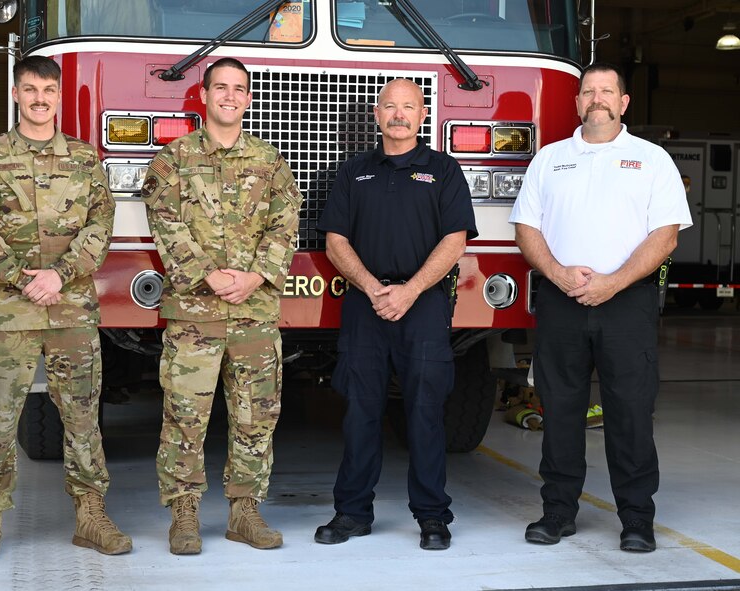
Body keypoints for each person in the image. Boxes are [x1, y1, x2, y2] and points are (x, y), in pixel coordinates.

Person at [509, 63, 692, 552]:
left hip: (626, 304)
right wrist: (559, 273)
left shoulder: (653, 160)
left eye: (606, 91)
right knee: (562, 411)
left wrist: (614, 282)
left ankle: (636, 519)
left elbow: (666, 234)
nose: (597, 99)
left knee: (630, 412)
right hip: (562, 301)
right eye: (588, 91)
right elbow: (526, 228)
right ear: (577, 102)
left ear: (624, 102)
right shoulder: (549, 160)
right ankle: (557, 513)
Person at [0, 55, 131, 563]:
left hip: (71, 309)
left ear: (58, 97)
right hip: (11, 313)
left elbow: (101, 225)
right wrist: (20, 278)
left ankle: (91, 517)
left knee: (81, 419)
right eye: (29, 89)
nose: (39, 98)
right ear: (16, 94)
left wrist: (61, 274)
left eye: (48, 91)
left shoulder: (85, 159)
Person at [141, 57, 303, 555]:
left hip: (253, 312)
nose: (230, 96)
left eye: (239, 89)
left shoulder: (271, 162)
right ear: (204, 96)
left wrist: (255, 276)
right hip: (195, 314)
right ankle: (184, 515)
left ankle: (245, 512)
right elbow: (165, 221)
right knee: (186, 414)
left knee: (256, 416)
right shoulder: (173, 160)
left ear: (248, 98)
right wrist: (207, 275)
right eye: (221, 88)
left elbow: (286, 223)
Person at [314, 79, 477, 550]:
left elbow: (455, 241)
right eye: (390, 106)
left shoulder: (444, 171)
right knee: (360, 412)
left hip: (422, 305)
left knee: (425, 413)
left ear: (423, 115)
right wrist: (371, 287)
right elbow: (335, 240)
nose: (399, 114)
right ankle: (351, 514)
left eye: (409, 106)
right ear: (377, 114)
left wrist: (409, 291)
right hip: (366, 307)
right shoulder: (354, 171)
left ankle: (432, 518)